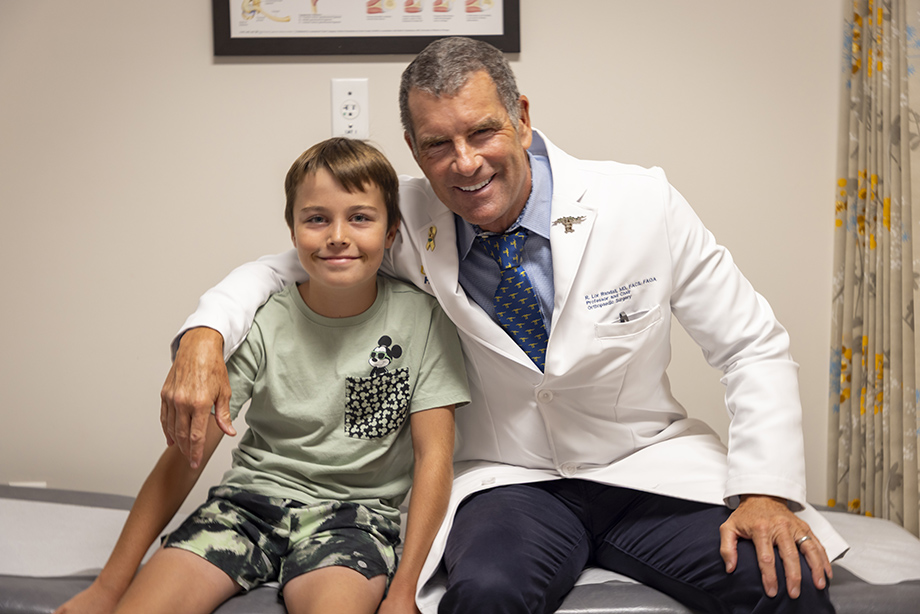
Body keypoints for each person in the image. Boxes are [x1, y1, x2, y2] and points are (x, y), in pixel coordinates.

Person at [161, 38, 847, 614]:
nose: (464, 162)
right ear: (413, 147)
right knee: (485, 595)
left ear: (519, 116)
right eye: (438, 144)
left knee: (787, 583)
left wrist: (763, 491)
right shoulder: (404, 216)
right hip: (509, 483)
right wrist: (202, 339)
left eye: (482, 130)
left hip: (646, 473)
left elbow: (751, 345)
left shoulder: (640, 201)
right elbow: (280, 269)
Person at [56, 137, 470, 614]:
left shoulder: (425, 321)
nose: (337, 235)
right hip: (245, 508)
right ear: (293, 232)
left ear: (392, 231)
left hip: (353, 521)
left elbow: (433, 459)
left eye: (360, 217)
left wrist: (403, 595)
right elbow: (186, 456)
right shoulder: (263, 320)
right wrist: (108, 588)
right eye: (317, 219)